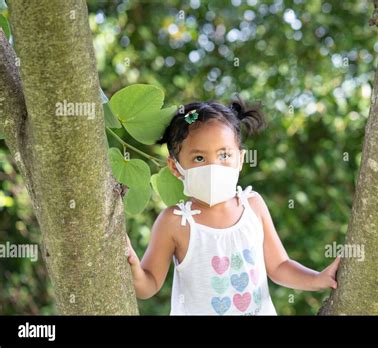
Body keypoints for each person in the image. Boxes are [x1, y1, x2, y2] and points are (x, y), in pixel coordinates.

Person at [126, 96, 341, 315]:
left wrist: (318, 279)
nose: (213, 166)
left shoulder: (253, 206)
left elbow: (279, 266)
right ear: (175, 166)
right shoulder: (175, 221)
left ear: (240, 158)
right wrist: (133, 269)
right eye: (199, 158)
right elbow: (149, 285)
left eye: (224, 155)